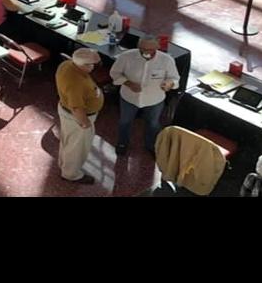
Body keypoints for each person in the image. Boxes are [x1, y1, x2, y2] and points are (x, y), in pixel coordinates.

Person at [109, 35, 180, 155]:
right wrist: (128, 83)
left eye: (150, 50)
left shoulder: (167, 60)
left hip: (154, 99)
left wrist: (169, 83)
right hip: (129, 98)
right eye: (143, 49)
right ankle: (122, 143)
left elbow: (175, 78)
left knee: (153, 124)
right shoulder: (126, 56)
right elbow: (114, 73)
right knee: (125, 122)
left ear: (157, 47)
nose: (146, 52)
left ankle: (151, 145)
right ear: (138, 46)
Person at [55, 48, 104, 185]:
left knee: (68, 141)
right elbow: (76, 107)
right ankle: (71, 174)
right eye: (94, 64)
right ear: (85, 65)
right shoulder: (75, 82)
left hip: (66, 111)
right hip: (78, 118)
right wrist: (84, 123)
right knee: (78, 147)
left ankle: (64, 163)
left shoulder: (67, 65)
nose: (95, 67)